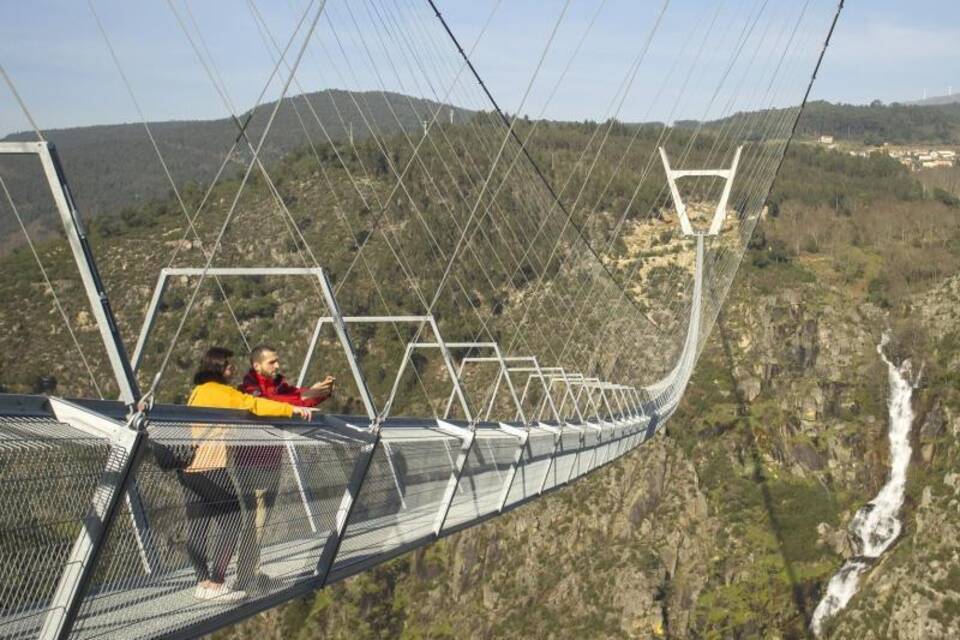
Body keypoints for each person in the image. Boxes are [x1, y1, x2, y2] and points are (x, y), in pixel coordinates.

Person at [180, 346, 311, 602]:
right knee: (233, 521)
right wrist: (291, 410)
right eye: (228, 365)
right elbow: (253, 405)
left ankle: (202, 583)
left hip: (189, 467)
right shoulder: (221, 392)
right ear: (218, 368)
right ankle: (216, 583)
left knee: (197, 526)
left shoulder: (197, 392)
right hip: (212, 465)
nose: (232, 369)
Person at [232, 345, 335, 592]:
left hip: (271, 461)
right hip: (252, 464)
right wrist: (303, 398)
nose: (277, 366)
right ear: (257, 365)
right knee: (255, 522)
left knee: (260, 522)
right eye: (272, 363)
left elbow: (296, 397)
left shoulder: (278, 386)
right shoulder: (249, 389)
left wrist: (319, 391)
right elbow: (270, 404)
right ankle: (246, 578)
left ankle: (250, 574)